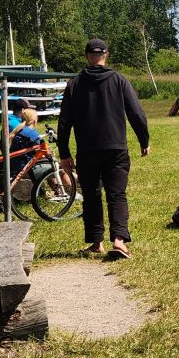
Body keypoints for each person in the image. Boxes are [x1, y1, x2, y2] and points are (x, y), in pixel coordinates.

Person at [57, 38, 150, 259]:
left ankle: (97, 242)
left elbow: (64, 122)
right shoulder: (119, 81)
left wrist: (64, 153)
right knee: (117, 194)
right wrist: (144, 140)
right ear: (106, 54)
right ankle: (119, 240)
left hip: (87, 150)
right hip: (115, 148)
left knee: (91, 195)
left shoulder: (74, 84)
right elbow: (136, 113)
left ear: (87, 55)